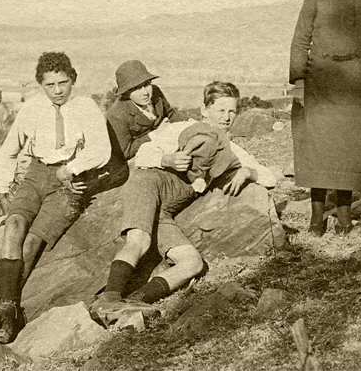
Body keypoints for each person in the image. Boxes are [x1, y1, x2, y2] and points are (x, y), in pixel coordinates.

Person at [88, 82, 266, 325]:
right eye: (220, 110)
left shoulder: (231, 149)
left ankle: (132, 301)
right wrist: (167, 158)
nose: (226, 117)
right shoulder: (185, 127)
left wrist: (248, 173)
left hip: (165, 211)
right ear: (204, 110)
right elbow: (142, 154)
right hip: (149, 184)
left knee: (193, 263)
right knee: (139, 240)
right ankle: (108, 299)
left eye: (232, 111)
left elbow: (269, 175)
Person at [0, 52, 111, 343]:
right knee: (15, 224)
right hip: (36, 174)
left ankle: (2, 311)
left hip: (68, 183)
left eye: (63, 82)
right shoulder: (32, 109)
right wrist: (1, 189)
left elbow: (102, 150)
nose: (58, 90)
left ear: (74, 80)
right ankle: (7, 310)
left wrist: (72, 169)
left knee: (33, 240)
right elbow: (8, 150)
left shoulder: (86, 107)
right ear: (40, 85)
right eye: (50, 85)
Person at [290, 0, 361, 236]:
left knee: (350, 146)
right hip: (320, 80)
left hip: (356, 80)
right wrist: (300, 81)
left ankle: (344, 218)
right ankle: (316, 220)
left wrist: (352, 62)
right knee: (319, 147)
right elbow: (300, 40)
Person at [106, 60, 177, 161]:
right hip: (138, 160)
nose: (145, 93)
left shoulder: (155, 91)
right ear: (126, 93)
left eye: (147, 84)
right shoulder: (116, 115)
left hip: (164, 146)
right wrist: (155, 134)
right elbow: (126, 153)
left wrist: (191, 122)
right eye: (136, 88)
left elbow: (171, 114)